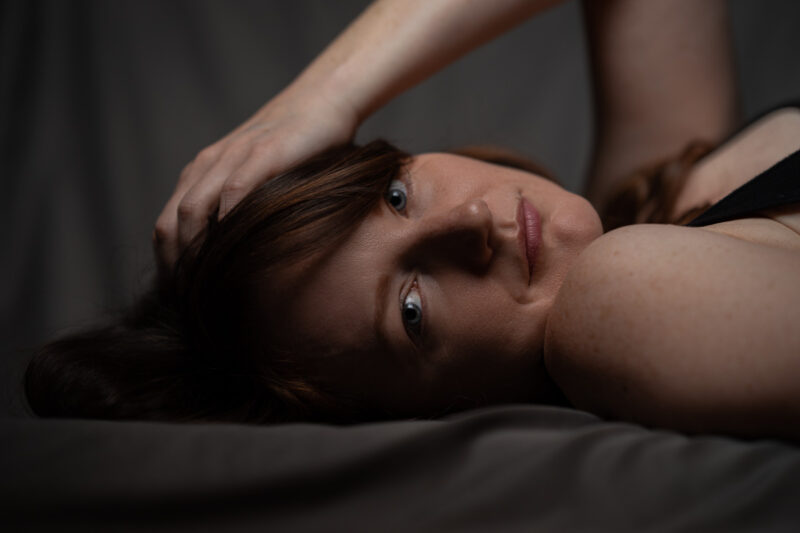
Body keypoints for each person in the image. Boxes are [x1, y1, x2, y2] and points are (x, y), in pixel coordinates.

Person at [25, 0, 800, 440]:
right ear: (428, 412)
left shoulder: (648, 196)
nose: (467, 221)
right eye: (412, 311)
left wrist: (324, 96)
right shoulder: (612, 301)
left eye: (394, 196)